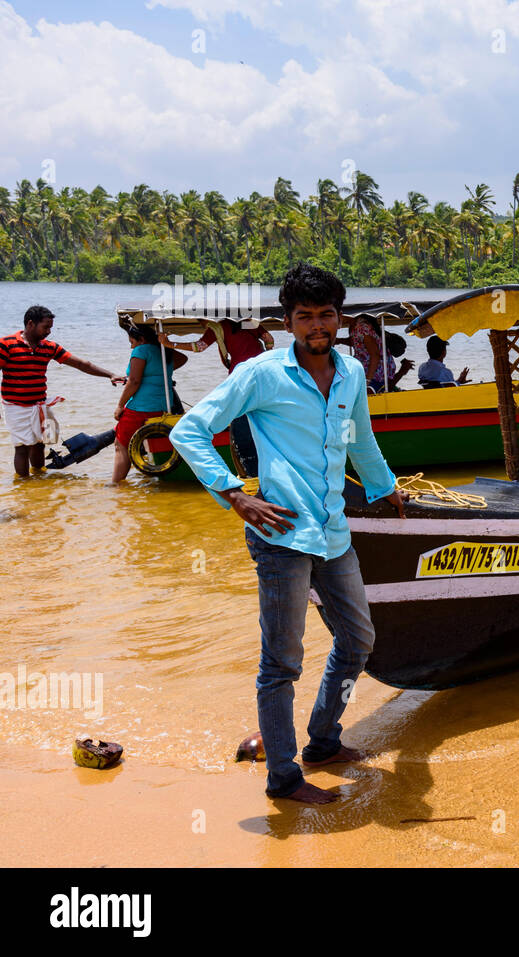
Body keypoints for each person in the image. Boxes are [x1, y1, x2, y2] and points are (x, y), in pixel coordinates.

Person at [169, 263, 408, 805]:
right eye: (305, 317)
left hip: (332, 530)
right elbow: (190, 430)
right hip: (280, 534)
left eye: (326, 315)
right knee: (281, 664)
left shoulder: (348, 373)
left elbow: (360, 440)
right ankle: (283, 776)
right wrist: (235, 495)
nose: (317, 326)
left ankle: (322, 741)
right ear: (287, 322)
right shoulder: (261, 373)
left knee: (358, 640)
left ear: (340, 318)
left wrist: (385, 488)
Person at [0, 305, 125, 477]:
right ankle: (25, 487)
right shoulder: (6, 344)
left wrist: (110, 374)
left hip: (39, 404)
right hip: (16, 407)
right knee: (22, 447)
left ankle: (39, 477)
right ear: (30, 324)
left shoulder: (49, 347)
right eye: (46, 327)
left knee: (39, 444)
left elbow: (82, 364)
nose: (49, 332)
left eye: (51, 327)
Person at [162, 318, 274, 477]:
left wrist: (169, 344)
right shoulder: (248, 322)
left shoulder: (218, 325)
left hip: (240, 377)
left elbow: (199, 346)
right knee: (261, 417)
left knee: (241, 424)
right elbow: (268, 338)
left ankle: (251, 473)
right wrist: (268, 354)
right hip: (263, 374)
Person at [112, 324, 187, 484]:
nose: (131, 346)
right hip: (162, 406)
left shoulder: (141, 350)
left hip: (140, 407)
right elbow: (183, 358)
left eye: (132, 341)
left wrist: (120, 406)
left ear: (142, 339)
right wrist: (160, 371)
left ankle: (116, 485)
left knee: (121, 444)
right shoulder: (163, 349)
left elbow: (134, 381)